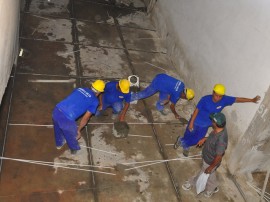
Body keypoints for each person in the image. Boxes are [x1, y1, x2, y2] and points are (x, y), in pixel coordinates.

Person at [174, 84, 261, 157]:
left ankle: (181, 141)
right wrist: (191, 123)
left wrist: (252, 100)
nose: (218, 98)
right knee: (189, 133)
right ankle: (185, 144)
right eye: (216, 95)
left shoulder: (224, 100)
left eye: (220, 96)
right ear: (213, 92)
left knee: (198, 140)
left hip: (205, 125)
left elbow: (237, 99)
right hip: (196, 121)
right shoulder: (205, 99)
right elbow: (196, 110)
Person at [52, 80, 105, 154]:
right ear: (99, 92)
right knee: (72, 135)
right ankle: (74, 149)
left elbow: (73, 98)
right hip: (67, 119)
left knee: (57, 128)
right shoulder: (94, 101)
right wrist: (78, 130)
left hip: (56, 110)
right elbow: (85, 118)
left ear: (92, 86)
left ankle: (59, 144)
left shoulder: (80, 89)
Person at [182, 112, 228, 198]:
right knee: (210, 174)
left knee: (204, 172)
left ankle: (192, 182)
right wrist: (205, 139)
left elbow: (219, 157)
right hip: (207, 157)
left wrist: (210, 167)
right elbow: (212, 138)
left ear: (216, 123)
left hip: (210, 161)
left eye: (212, 121)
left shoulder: (221, 140)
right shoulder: (218, 129)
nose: (211, 122)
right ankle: (213, 187)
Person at [131, 73, 195, 119]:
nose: (185, 99)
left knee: (164, 97)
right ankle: (131, 97)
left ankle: (159, 106)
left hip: (162, 76)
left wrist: (168, 99)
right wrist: (176, 114)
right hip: (157, 83)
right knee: (146, 93)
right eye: (186, 98)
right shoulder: (177, 95)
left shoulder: (182, 85)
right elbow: (172, 106)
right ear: (184, 95)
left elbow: (172, 89)